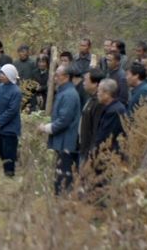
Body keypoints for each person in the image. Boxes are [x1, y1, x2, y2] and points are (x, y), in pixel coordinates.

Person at [38, 65, 81, 195]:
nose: (55, 78)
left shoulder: (69, 94)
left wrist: (46, 128)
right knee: (60, 172)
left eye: (57, 75)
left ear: (66, 77)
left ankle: (63, 201)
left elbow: (64, 120)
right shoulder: (64, 91)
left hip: (66, 140)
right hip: (62, 139)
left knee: (64, 173)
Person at [0, 64, 22, 177]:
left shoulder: (16, 91)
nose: (1, 75)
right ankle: (5, 171)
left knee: (9, 152)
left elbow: (12, 110)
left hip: (10, 127)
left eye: (3, 74)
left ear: (10, 75)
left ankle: (10, 173)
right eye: (1, 73)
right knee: (1, 151)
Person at [92, 79, 127, 162]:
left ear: (107, 94)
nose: (97, 93)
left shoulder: (114, 112)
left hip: (110, 157)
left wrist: (93, 155)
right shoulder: (112, 108)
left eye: (99, 90)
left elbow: (105, 137)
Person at [78, 69, 107, 166]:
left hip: (89, 152)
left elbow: (96, 130)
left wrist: (91, 153)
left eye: (86, 80)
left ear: (95, 84)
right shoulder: (90, 99)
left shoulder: (99, 103)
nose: (83, 83)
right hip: (83, 148)